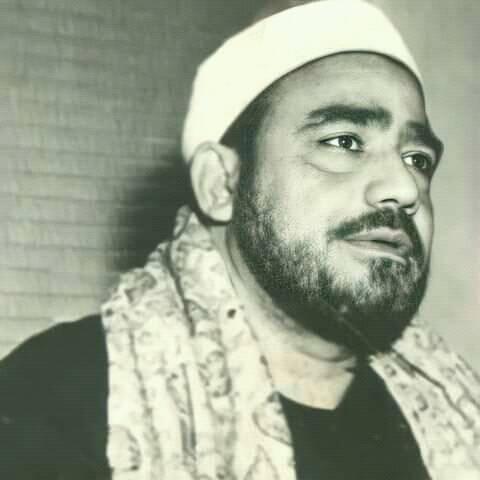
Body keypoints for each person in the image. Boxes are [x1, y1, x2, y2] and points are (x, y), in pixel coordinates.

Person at [1, 1, 479, 479]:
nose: (405, 187)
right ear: (221, 184)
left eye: (417, 159)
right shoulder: (53, 403)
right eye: (344, 142)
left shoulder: (452, 408)